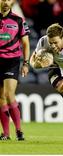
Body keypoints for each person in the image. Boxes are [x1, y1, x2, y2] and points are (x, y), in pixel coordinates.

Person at [0, 0, 30, 140]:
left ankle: (19, 131)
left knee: (9, 94)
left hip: (11, 61)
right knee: (0, 98)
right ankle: (6, 134)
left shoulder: (18, 20)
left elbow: (25, 43)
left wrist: (26, 63)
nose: (6, 2)